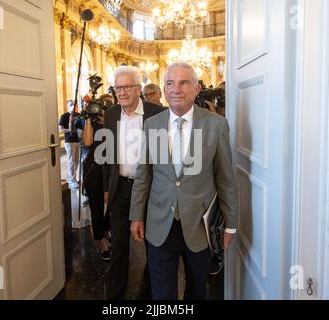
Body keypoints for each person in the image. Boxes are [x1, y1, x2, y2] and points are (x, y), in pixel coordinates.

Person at [129, 62, 239, 300]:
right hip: (159, 224)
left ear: (197, 88)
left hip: (199, 226)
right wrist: (136, 215)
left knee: (197, 289)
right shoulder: (152, 124)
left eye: (184, 82)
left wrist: (231, 224)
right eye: (169, 83)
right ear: (164, 89)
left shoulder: (216, 124)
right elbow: (143, 176)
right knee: (161, 292)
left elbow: (226, 180)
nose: (175, 89)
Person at [103, 66, 164, 300]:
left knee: (153, 247)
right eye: (118, 88)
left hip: (149, 190)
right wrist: (108, 188)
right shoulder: (110, 115)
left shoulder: (157, 113)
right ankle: (115, 299)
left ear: (138, 89)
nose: (122, 92)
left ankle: (146, 295)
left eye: (127, 87)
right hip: (119, 189)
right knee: (119, 248)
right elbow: (106, 155)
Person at [82, 97, 112, 261]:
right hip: (94, 170)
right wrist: (87, 120)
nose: (102, 108)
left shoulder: (114, 121)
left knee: (113, 203)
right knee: (97, 205)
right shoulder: (91, 124)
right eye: (101, 105)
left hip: (112, 169)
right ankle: (99, 239)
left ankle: (106, 227)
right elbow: (87, 142)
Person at [59, 100, 80, 189]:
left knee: (77, 161)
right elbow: (61, 129)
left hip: (77, 141)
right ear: (67, 105)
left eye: (73, 105)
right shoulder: (64, 116)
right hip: (69, 141)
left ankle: (73, 177)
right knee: (71, 161)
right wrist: (70, 130)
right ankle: (72, 181)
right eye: (70, 105)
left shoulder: (78, 115)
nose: (72, 106)